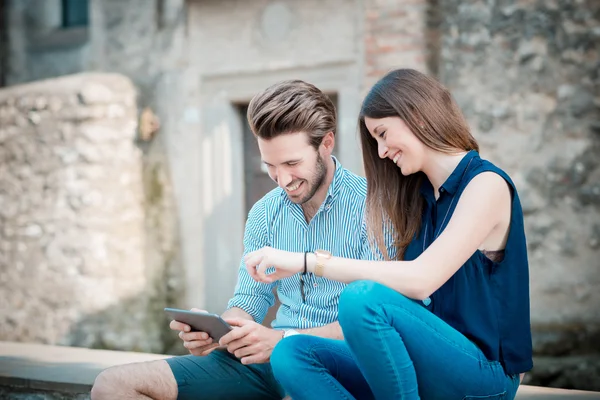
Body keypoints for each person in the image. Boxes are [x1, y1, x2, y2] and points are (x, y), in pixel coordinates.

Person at [244, 68, 533, 400]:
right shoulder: (418, 197)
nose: (381, 152)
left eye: (382, 134)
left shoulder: (486, 185)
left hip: (483, 374)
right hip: (420, 363)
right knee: (292, 354)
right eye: (375, 140)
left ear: (418, 118)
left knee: (360, 299)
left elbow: (422, 279)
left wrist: (307, 262)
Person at [90, 79, 385, 400]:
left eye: (292, 163)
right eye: (270, 165)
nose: (283, 180)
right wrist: (219, 331)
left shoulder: (375, 208)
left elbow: (375, 322)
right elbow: (249, 301)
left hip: (338, 367)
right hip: (265, 362)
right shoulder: (264, 212)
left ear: (326, 144)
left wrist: (284, 339)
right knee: (113, 385)